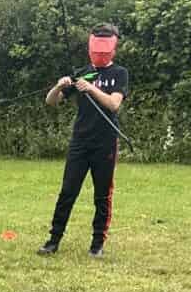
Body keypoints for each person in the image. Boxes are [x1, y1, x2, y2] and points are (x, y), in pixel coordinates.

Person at [37, 24, 129, 260]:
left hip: (105, 143)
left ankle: (97, 244)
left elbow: (114, 104)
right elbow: (51, 101)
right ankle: (53, 240)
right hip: (80, 141)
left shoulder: (119, 73)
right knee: (67, 191)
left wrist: (91, 89)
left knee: (102, 195)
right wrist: (59, 86)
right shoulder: (82, 73)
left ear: (113, 47)